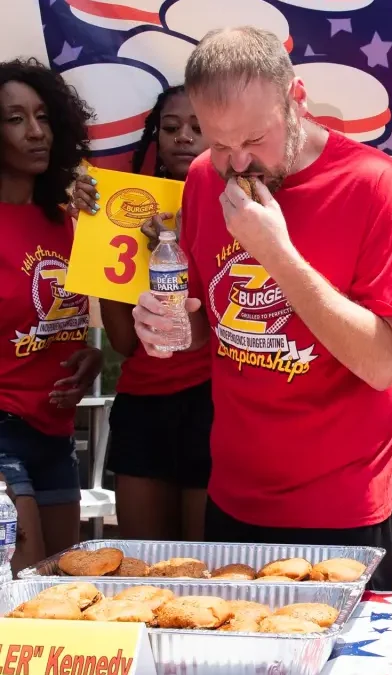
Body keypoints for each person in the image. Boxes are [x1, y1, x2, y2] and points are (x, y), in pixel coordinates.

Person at [130, 27, 392, 590]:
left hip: (341, 506)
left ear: (298, 100)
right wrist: (165, 324)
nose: (238, 162)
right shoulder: (201, 179)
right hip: (233, 494)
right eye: (219, 143)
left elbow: (385, 362)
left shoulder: (372, 184)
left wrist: (277, 254)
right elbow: (206, 323)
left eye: (255, 139)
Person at [69, 86, 212, 541]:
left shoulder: (238, 207)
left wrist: (171, 262)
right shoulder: (121, 205)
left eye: (197, 127)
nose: (183, 137)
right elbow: (124, 343)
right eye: (171, 128)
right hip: (142, 405)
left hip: (214, 403)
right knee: (144, 566)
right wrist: (100, 233)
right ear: (155, 135)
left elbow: (218, 329)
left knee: (204, 570)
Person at [0, 58, 103, 572]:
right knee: (22, 583)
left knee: (59, 586)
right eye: (15, 119)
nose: (35, 132)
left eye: (43, 116)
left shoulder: (65, 223)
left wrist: (90, 361)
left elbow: (64, 325)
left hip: (56, 432)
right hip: (3, 429)